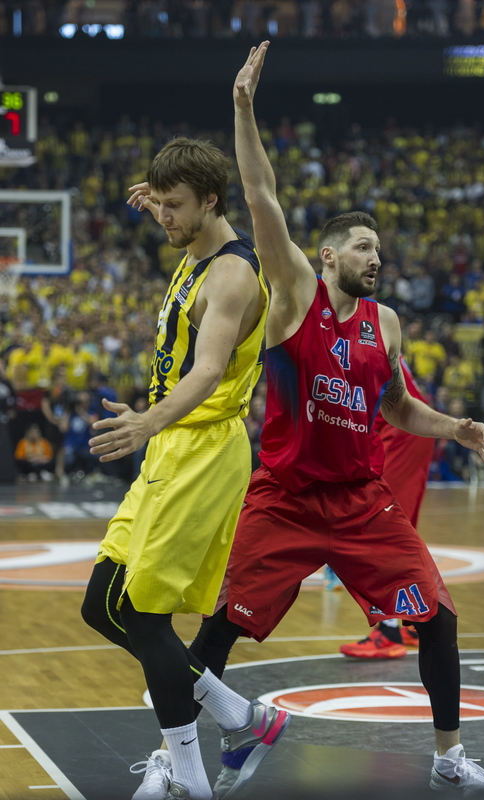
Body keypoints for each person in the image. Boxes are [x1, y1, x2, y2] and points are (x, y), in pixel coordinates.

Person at [181, 42, 484, 799]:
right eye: (363, 246)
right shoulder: (296, 295)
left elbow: (395, 407)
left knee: (442, 618)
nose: (376, 257)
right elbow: (261, 196)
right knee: (216, 633)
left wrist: (452, 426)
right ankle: (181, 753)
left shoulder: (385, 323)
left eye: (380, 249)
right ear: (326, 255)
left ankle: (449, 757)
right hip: (286, 497)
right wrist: (243, 109)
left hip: (362, 502)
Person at [80, 136, 288, 800]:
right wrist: (157, 205)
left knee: (143, 617)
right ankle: (242, 716)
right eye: (158, 203)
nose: (164, 216)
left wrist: (145, 421)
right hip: (173, 448)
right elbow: (177, 215)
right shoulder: (193, 243)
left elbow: (205, 371)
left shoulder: (230, 274)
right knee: (100, 605)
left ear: (210, 201)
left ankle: (189, 779)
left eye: (175, 206)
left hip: (201, 448)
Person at [339, 356, 434, 659]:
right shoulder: (369, 328)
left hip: (402, 431)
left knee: (384, 533)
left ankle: (389, 631)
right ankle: (411, 621)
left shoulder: (344, 334)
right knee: (397, 528)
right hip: (408, 430)